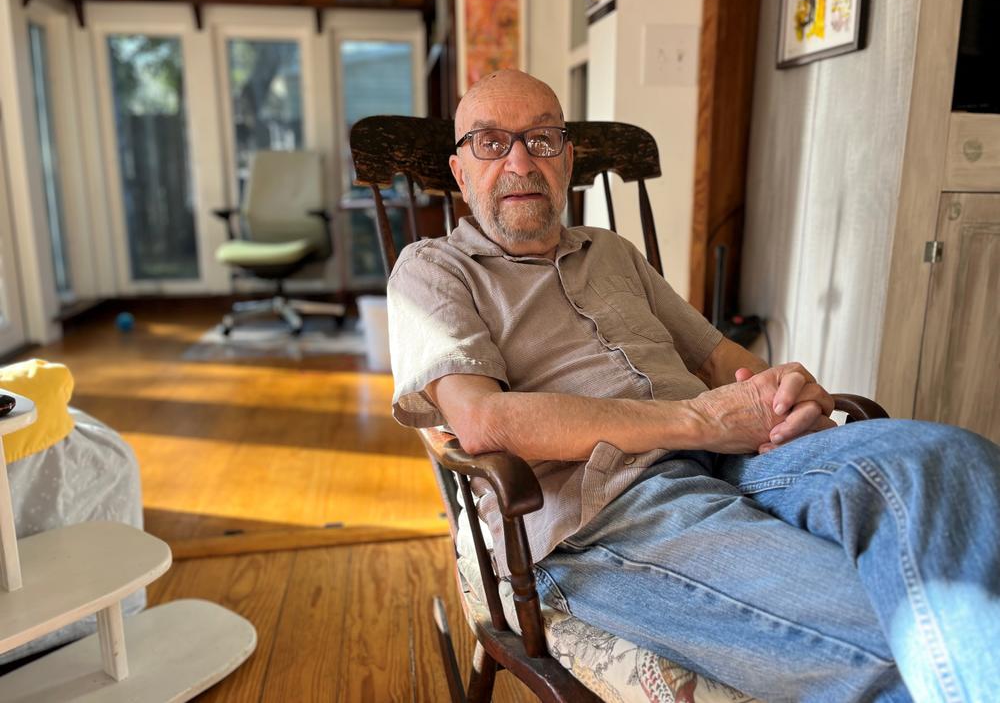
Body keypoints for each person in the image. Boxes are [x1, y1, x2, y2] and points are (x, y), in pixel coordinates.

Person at [386, 70, 1000, 703]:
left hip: (740, 459)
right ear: (460, 172)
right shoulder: (432, 271)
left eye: (542, 139)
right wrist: (701, 422)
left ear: (566, 158)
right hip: (607, 515)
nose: (520, 160)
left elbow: (716, 358)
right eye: (490, 142)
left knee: (955, 459)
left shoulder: (613, 251)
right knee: (895, 636)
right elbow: (485, 421)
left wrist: (784, 386)